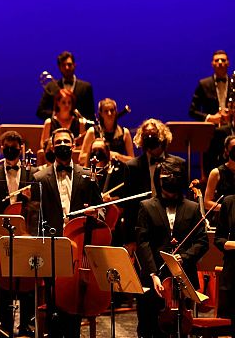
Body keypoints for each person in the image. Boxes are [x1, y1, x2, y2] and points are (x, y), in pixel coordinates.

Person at [29, 128, 102, 338]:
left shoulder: (88, 176)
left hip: (79, 250)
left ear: (74, 146)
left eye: (66, 141)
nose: (62, 144)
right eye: (58, 141)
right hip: (52, 248)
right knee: (53, 304)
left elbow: (102, 212)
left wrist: (95, 213)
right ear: (52, 147)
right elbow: (34, 217)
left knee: (74, 305)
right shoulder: (39, 177)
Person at [135, 157, 208, 338]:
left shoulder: (192, 208)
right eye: (165, 176)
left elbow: (202, 241)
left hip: (183, 281)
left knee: (181, 331)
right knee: (149, 328)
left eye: (174, 176)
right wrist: (153, 274)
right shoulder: (146, 206)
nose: (169, 180)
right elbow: (143, 242)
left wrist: (184, 256)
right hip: (154, 279)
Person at [0, 131, 35, 337]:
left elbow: (40, 205)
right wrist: (0, 215)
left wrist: (30, 200)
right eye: (7, 146)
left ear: (21, 148)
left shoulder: (33, 174)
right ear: (2, 148)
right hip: (3, 235)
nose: (11, 150)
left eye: (14, 146)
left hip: (26, 235)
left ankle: (26, 325)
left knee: (28, 281)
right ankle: (5, 326)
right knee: (2, 283)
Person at [123, 119, 186, 247]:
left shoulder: (179, 164)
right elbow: (129, 207)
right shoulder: (132, 167)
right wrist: (130, 240)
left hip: (171, 223)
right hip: (143, 226)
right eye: (146, 136)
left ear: (162, 137)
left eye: (154, 135)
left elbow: (183, 199)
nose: (150, 139)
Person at [189, 50, 233, 174]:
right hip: (211, 136)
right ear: (212, 63)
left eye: (223, 60)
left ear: (228, 63)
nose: (220, 62)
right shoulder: (203, 84)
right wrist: (211, 117)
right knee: (212, 169)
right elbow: (192, 111)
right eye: (217, 60)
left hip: (232, 133)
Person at [36, 51, 95, 121]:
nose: (67, 68)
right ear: (59, 67)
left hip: (80, 129)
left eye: (69, 64)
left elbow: (90, 114)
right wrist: (59, 115)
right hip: (56, 129)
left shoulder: (86, 87)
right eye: (63, 65)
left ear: (74, 65)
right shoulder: (51, 86)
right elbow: (40, 112)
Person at [78, 98, 135, 165]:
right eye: (106, 111)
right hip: (97, 171)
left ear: (116, 112)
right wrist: (100, 154)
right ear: (101, 113)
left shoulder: (125, 132)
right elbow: (81, 159)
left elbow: (132, 160)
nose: (109, 114)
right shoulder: (92, 132)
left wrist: (118, 156)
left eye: (112, 110)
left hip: (119, 172)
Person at [214, 191, 235, 335]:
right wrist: (231, 245)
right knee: (228, 324)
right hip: (232, 273)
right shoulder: (229, 202)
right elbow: (218, 238)